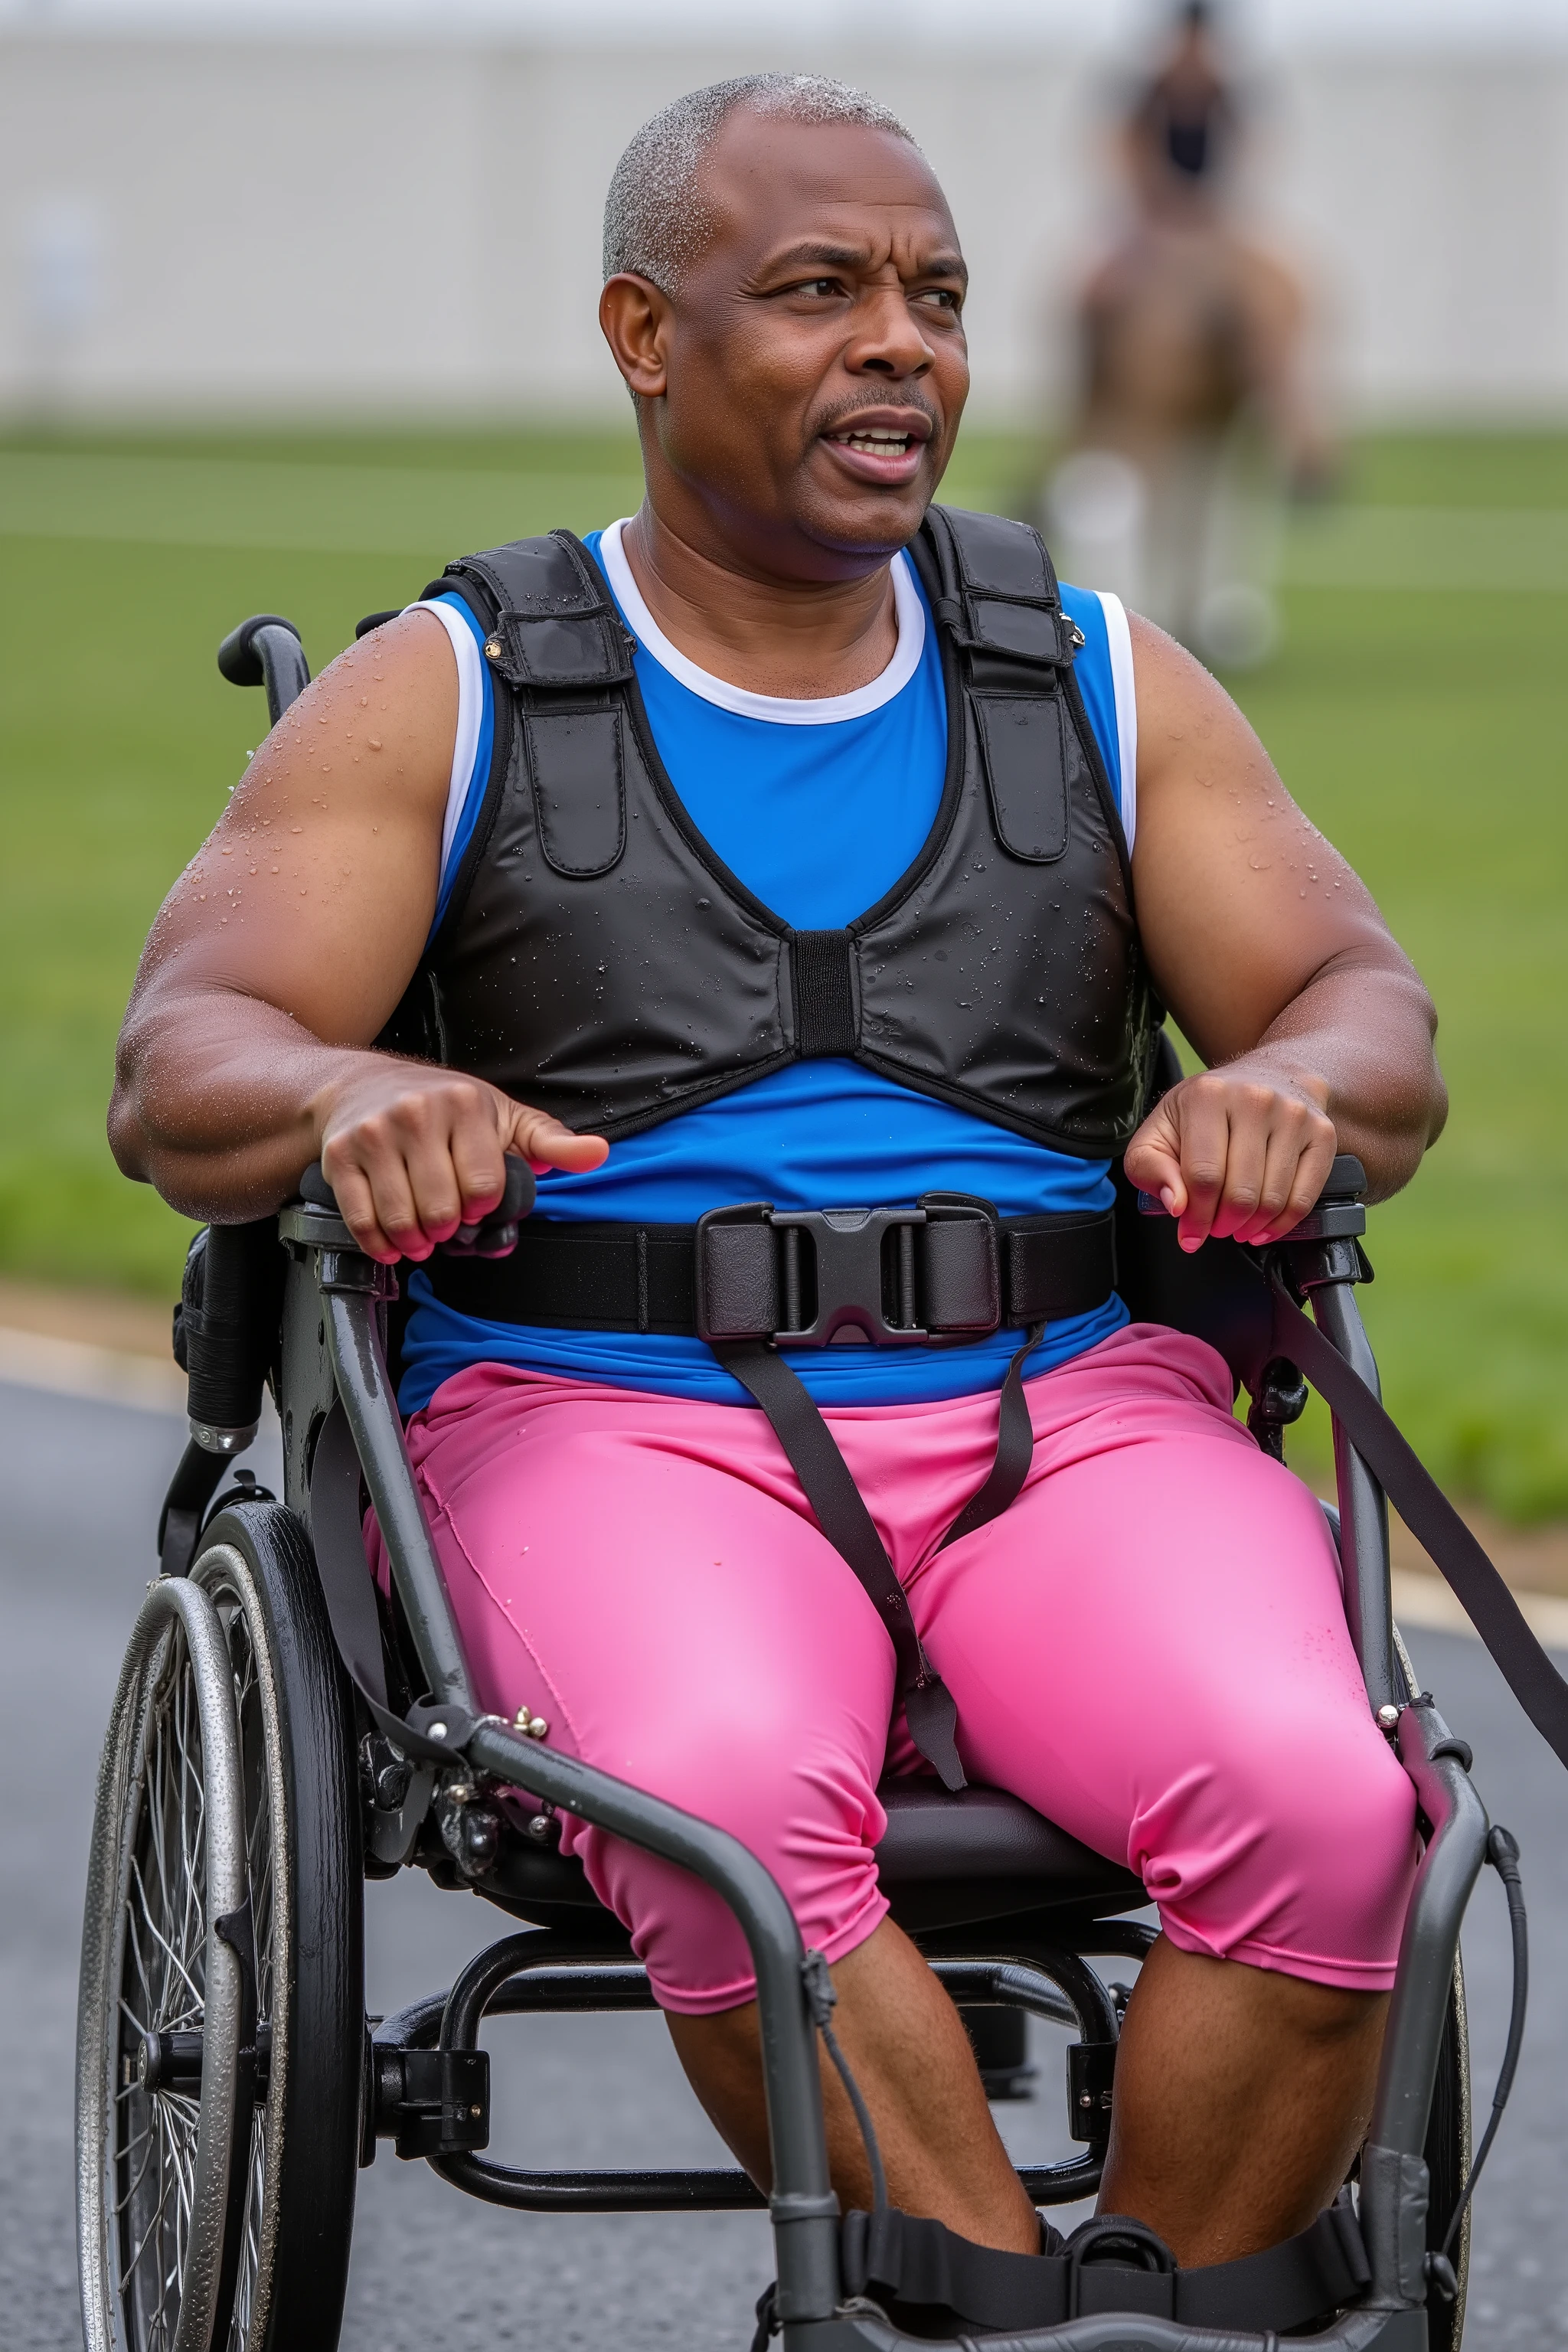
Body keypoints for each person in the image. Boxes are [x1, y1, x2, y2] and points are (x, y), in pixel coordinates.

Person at [110, 74, 1446, 2282]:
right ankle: (960, 2302)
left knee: (1335, 1811)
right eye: (817, 292)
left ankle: (1116, 2320)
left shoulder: (1100, 675)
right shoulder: (449, 690)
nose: (899, 343)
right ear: (647, 333)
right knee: (731, 1807)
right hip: (602, 1417)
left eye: (932, 296)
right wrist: (346, 1100)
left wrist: (1294, 1081)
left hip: (1062, 1408)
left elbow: (1360, 998)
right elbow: (187, 1063)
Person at [1047, 3, 1326, 668]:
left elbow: (1248, 164)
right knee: (1091, 292)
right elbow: (1125, 160)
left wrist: (1208, 225)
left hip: (1212, 226)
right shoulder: (1145, 93)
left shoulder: (1230, 95)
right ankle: (1077, 416)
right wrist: (1160, 217)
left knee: (1273, 296)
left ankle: (1302, 430)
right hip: (1151, 225)